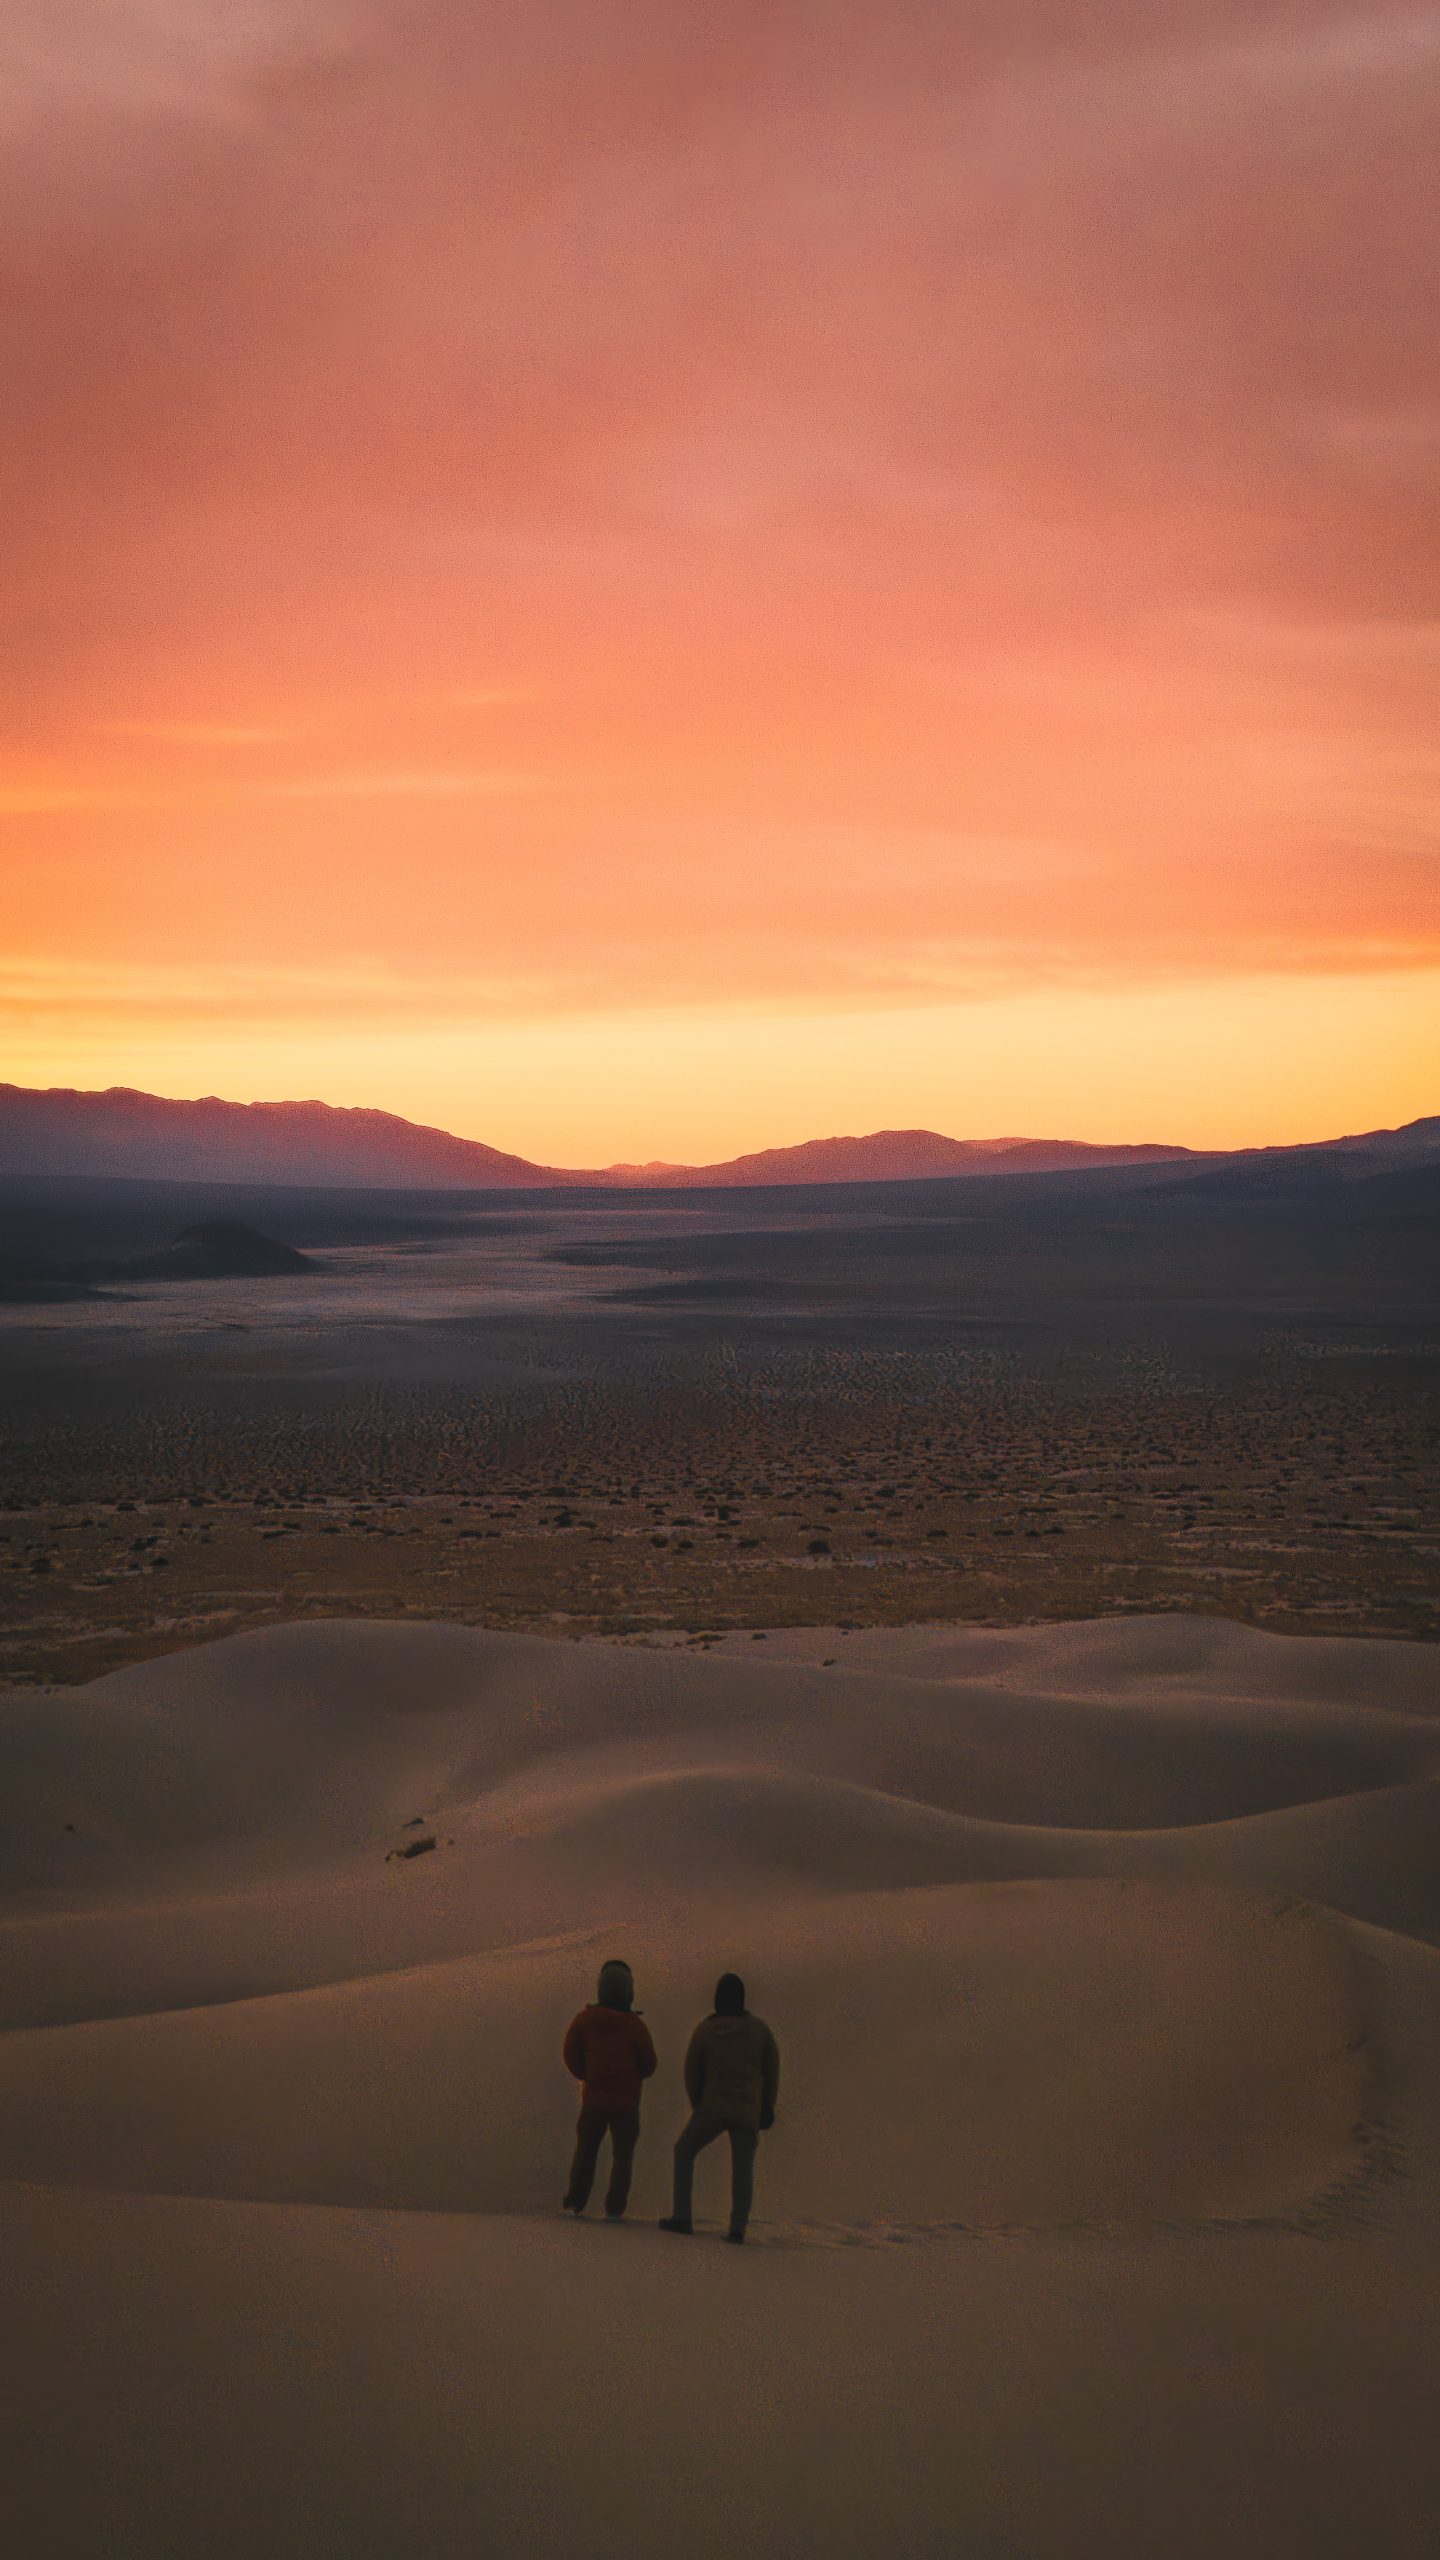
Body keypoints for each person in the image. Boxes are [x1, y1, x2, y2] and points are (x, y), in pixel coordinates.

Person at [660, 1972, 780, 2245]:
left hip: (712, 2105)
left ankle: (682, 2217)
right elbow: (772, 2069)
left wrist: (698, 2104)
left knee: (684, 2150)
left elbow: (692, 2070)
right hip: (747, 2107)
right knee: (742, 2169)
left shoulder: (705, 2029)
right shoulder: (759, 2030)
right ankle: (737, 2228)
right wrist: (767, 2107)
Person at [561, 1958, 658, 2220]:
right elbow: (649, 2064)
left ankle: (575, 2202)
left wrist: (587, 2075)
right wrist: (631, 2077)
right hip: (626, 2104)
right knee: (623, 2157)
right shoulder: (635, 2026)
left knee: (586, 2151)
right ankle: (615, 2209)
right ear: (628, 1990)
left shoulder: (584, 2020)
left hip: (594, 2100)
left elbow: (570, 2055)